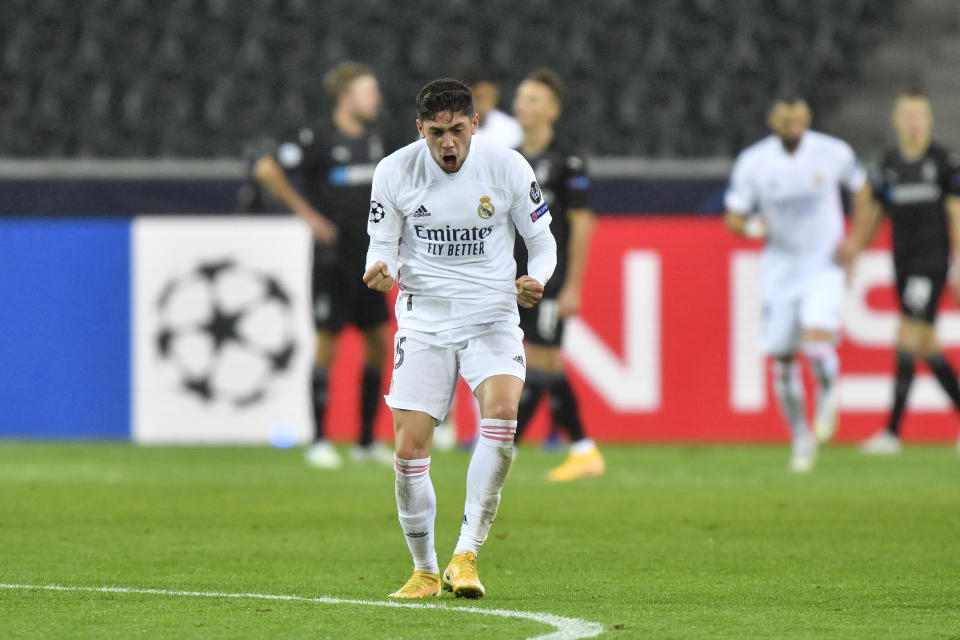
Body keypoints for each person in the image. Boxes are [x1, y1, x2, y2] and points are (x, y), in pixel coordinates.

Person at [363, 78, 556, 598]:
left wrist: (537, 278)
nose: (448, 143)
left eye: (456, 130)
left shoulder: (508, 167)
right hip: (424, 319)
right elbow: (381, 245)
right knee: (408, 450)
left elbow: (541, 241)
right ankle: (425, 568)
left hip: (492, 313)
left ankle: (466, 555)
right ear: (419, 129)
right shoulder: (395, 171)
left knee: (502, 415)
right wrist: (380, 269)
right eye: (435, 133)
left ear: (474, 124)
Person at [253, 62, 392, 468]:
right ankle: (319, 440)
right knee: (328, 343)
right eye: (369, 92)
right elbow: (266, 167)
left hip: (370, 261)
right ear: (345, 98)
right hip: (332, 260)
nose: (376, 99)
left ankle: (366, 441)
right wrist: (309, 216)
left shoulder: (377, 140)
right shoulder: (317, 138)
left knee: (379, 344)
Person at [724, 93, 872, 472]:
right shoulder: (755, 162)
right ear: (774, 121)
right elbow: (733, 215)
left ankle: (827, 389)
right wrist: (752, 225)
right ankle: (801, 437)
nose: (794, 126)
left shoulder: (832, 152)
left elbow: (863, 188)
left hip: (823, 265)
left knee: (818, 337)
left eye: (799, 119)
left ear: (806, 118)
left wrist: (855, 240)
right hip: (780, 271)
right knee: (784, 360)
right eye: (787, 120)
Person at [840, 89, 960, 455]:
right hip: (902, 262)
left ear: (929, 119)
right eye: (907, 114)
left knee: (906, 337)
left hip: (932, 261)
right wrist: (854, 251)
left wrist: (958, 262)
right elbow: (871, 214)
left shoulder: (943, 162)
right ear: (895, 120)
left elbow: (956, 213)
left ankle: (891, 432)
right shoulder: (887, 166)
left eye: (920, 114)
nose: (914, 120)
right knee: (926, 344)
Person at [510, 68, 604, 481]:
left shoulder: (568, 162)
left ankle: (511, 450)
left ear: (552, 111)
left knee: (541, 361)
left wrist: (572, 286)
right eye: (522, 97)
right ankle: (580, 449)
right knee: (542, 363)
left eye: (533, 99)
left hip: (549, 278)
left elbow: (583, 223)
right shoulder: (510, 160)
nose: (523, 105)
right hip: (515, 280)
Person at [469, 73, 523, 149]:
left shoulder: (510, 128)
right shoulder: (456, 127)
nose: (484, 104)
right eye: (479, 98)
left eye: (489, 98)